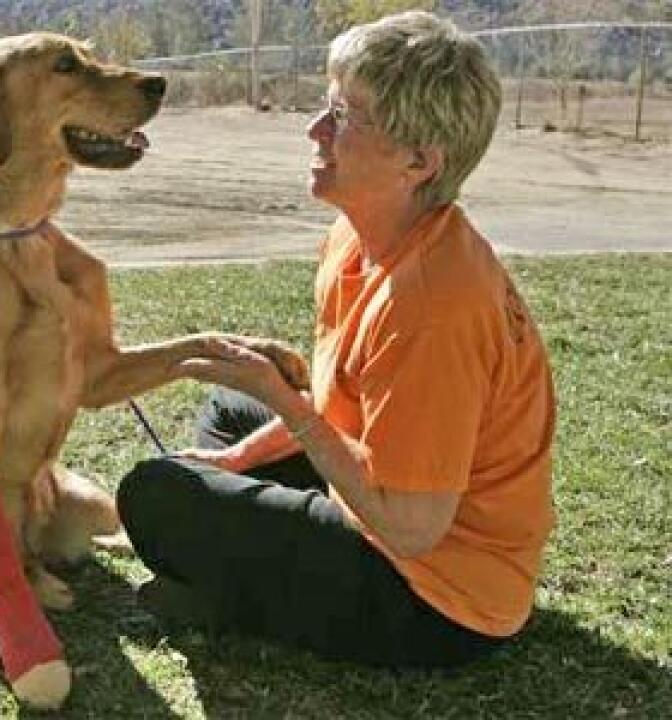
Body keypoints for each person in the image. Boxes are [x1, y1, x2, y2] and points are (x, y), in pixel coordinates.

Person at [117, 11, 556, 669]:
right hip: (386, 506)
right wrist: (237, 462)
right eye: (326, 107)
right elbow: (343, 406)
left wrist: (287, 407)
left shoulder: (435, 304)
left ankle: (229, 585)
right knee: (229, 417)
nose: (314, 130)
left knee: (154, 495)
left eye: (344, 118)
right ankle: (240, 554)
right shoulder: (360, 238)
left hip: (438, 599)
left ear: (419, 160)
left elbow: (413, 531)